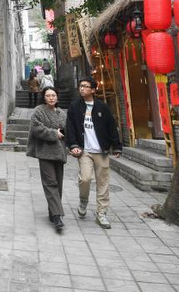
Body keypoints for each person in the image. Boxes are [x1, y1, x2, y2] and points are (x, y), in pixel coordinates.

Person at [65, 77, 122, 229]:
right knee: (85, 178)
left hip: (101, 151)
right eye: (80, 86)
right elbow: (70, 127)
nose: (82, 88)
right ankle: (83, 200)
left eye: (85, 86)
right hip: (85, 151)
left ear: (93, 89)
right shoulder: (75, 107)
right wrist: (73, 145)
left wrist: (116, 146)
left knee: (103, 182)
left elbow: (111, 126)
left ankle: (101, 213)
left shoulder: (102, 107)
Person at [26, 86, 68, 229]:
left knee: (59, 184)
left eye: (53, 95)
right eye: (48, 95)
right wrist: (53, 133)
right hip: (45, 152)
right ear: (44, 97)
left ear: (57, 97)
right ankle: (57, 216)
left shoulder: (62, 113)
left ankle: (52, 211)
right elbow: (37, 129)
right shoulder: (38, 111)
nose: (51, 98)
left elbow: (67, 129)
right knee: (50, 183)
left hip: (59, 152)